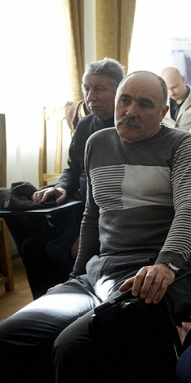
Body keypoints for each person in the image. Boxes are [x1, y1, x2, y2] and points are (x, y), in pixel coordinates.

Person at [0, 71, 191, 382]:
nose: (130, 111)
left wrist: (167, 263)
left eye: (145, 104)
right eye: (125, 100)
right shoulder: (97, 143)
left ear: (164, 112)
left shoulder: (184, 145)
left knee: (71, 346)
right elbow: (92, 216)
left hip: (156, 277)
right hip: (100, 274)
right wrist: (75, 277)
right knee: (10, 335)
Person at [4, 58, 125, 299]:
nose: (90, 96)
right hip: (75, 208)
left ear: (118, 91)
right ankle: (47, 308)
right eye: (86, 88)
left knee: (64, 251)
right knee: (28, 241)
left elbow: (124, 189)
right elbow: (72, 168)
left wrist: (93, 235)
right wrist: (61, 187)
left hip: (105, 216)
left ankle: (76, 306)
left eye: (99, 89)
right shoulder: (85, 125)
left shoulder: (127, 128)